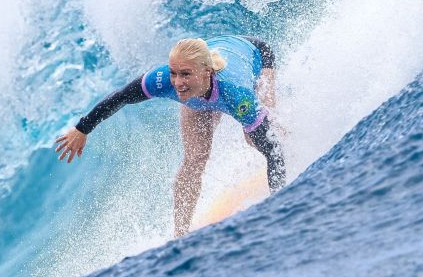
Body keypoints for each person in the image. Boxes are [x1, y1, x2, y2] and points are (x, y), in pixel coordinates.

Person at [55, 35, 286, 237]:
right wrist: (82, 128)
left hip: (255, 54)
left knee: (261, 137)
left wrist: (279, 203)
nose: (177, 82)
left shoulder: (236, 94)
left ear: (207, 72)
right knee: (195, 158)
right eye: (174, 73)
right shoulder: (164, 80)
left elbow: (274, 152)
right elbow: (121, 97)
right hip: (205, 78)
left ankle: (290, 141)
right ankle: (180, 235)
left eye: (184, 74)